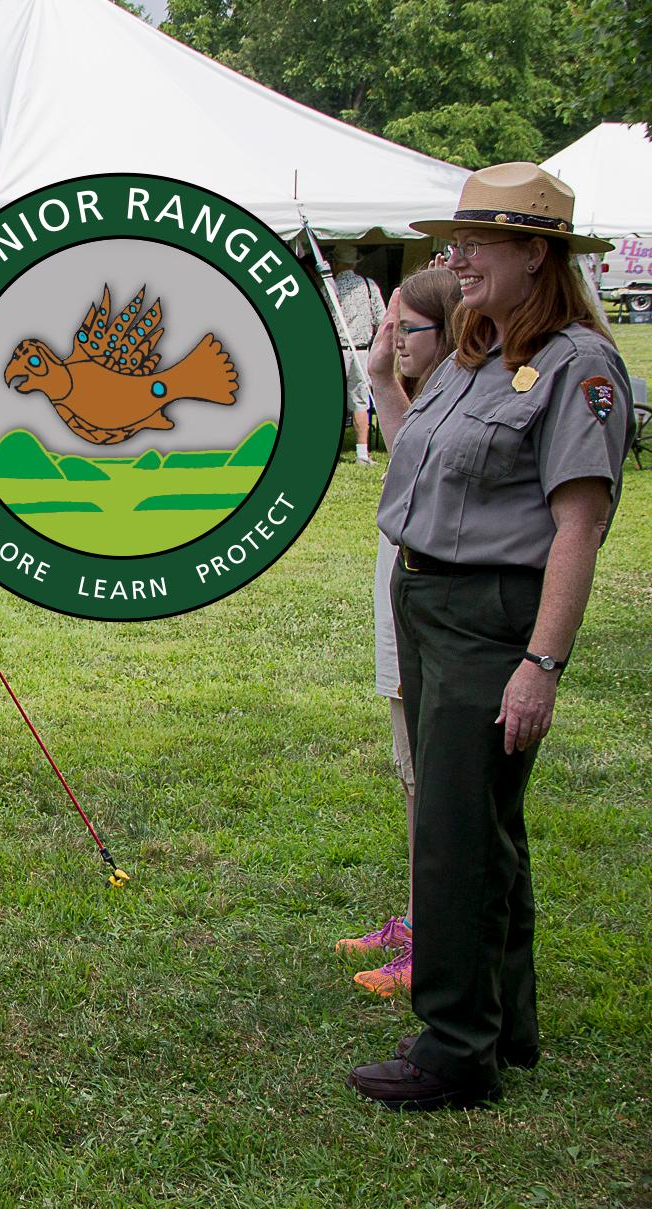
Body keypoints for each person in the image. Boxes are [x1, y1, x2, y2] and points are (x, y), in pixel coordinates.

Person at [348, 163, 634, 1110]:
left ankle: (453, 1049)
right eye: (455, 238)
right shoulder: (474, 353)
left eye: (477, 242)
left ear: (533, 253)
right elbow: (420, 467)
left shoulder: (576, 366)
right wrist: (388, 377)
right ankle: (505, 1025)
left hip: (489, 618)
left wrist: (540, 664)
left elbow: (578, 526)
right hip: (424, 602)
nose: (454, 257)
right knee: (482, 825)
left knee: (455, 831)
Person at [336, 267, 462, 998]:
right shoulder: (438, 400)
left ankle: (435, 940)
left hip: (438, 615)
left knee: (435, 781)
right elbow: (411, 459)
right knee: (412, 774)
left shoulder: (468, 400)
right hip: (405, 612)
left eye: (403, 328)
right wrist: (384, 376)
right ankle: (419, 918)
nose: (388, 339)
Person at [330, 243, 385, 465]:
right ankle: (362, 453)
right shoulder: (369, 286)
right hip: (362, 349)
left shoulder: (330, 287)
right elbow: (380, 318)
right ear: (354, 263)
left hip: (336, 349)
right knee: (361, 401)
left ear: (336, 263)